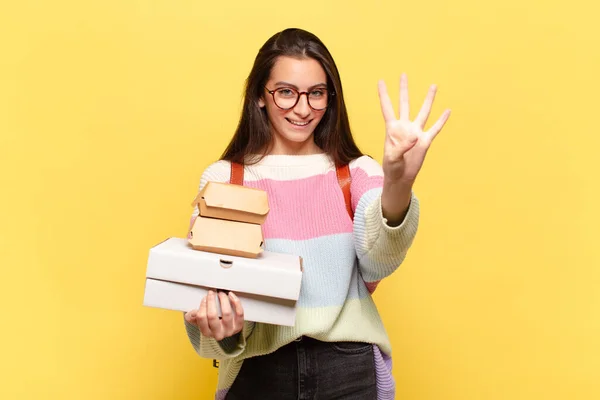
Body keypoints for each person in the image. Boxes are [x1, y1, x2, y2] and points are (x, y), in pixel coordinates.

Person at [183, 27, 451, 400]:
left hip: (348, 368)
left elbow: (378, 262)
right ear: (260, 95)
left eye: (316, 93)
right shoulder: (225, 179)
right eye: (286, 93)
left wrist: (398, 183)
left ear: (330, 98)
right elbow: (207, 295)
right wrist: (220, 325)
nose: (303, 108)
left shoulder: (357, 172)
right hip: (259, 370)